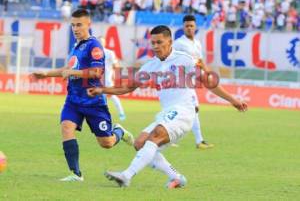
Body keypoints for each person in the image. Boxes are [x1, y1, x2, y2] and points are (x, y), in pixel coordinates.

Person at [87, 25, 247, 188]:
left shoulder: (185, 60)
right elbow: (128, 87)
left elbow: (209, 82)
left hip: (184, 111)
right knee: (140, 143)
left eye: (159, 42)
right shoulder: (151, 66)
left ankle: (126, 176)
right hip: (167, 113)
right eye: (153, 43)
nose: (155, 46)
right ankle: (176, 177)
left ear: (170, 42)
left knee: (155, 135)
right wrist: (102, 89)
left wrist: (233, 100)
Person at [32, 9, 134, 182]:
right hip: (73, 99)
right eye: (73, 25)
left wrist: (74, 72)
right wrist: (46, 74)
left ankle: (119, 131)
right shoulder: (76, 46)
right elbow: (66, 70)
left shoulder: (95, 46)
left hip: (93, 101)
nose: (75, 29)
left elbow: (96, 72)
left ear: (88, 24)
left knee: (106, 143)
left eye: (79, 25)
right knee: (66, 127)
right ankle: (76, 174)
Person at [173, 14, 213, 149]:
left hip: (189, 81)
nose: (189, 28)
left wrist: (207, 71)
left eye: (191, 26)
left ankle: (172, 137)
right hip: (179, 80)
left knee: (185, 110)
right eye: (187, 26)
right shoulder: (179, 43)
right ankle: (198, 141)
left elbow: (199, 61)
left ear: (195, 27)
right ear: (183, 27)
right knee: (193, 108)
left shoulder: (197, 43)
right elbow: (169, 58)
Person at [99, 36, 126, 121]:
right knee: (96, 97)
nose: (100, 43)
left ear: (104, 43)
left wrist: (115, 74)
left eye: (102, 41)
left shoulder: (109, 53)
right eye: (99, 41)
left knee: (112, 97)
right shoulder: (93, 54)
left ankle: (121, 113)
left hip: (107, 80)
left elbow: (116, 65)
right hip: (97, 80)